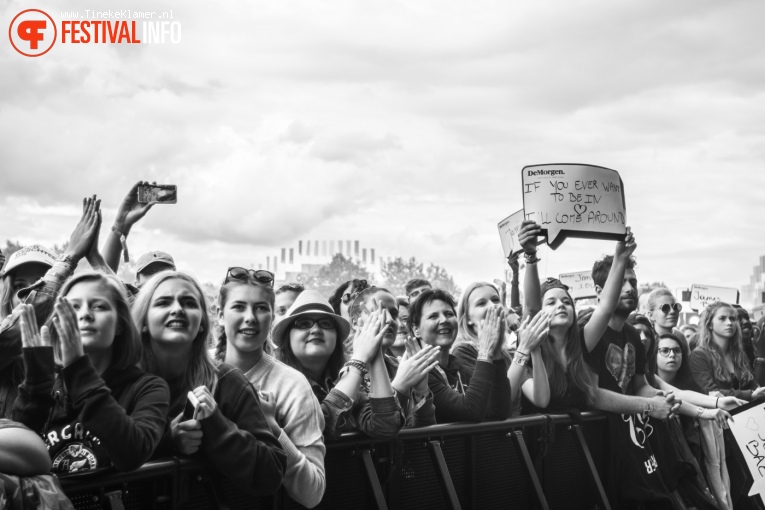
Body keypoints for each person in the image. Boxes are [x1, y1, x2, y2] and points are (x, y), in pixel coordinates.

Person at [132, 270, 285, 494]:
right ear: (143, 321)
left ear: (202, 323)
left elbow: (271, 474)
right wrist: (169, 441)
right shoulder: (121, 383)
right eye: (163, 302)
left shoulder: (226, 382)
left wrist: (216, 426)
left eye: (188, 302)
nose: (177, 309)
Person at [13, 271, 170, 474]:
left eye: (99, 306)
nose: (85, 314)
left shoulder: (149, 388)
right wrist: (36, 388)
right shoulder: (48, 387)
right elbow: (15, 453)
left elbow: (133, 454)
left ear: (120, 324)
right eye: (72, 307)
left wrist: (78, 368)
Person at [211, 269, 325, 508]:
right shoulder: (197, 371)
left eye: (261, 308)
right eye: (239, 307)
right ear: (220, 315)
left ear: (272, 318)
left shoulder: (292, 385)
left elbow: (313, 491)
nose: (250, 317)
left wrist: (273, 428)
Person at [1, 197, 102, 418]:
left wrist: (97, 259)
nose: (28, 295)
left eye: (40, 283)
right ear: (6, 297)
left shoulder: (79, 354)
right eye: (20, 287)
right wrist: (69, 258)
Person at [272, 290, 403, 440]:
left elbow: (386, 427)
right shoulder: (274, 379)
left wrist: (375, 348)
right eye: (304, 324)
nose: (315, 330)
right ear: (287, 336)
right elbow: (316, 429)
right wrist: (358, 360)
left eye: (325, 324)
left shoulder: (346, 373)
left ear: (337, 338)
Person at [407, 288, 510, 423]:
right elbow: (470, 412)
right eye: (433, 316)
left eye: (449, 314)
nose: (444, 320)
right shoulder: (418, 373)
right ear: (416, 330)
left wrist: (495, 353)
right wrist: (485, 351)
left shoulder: (462, 369)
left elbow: (499, 412)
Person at [349, 287, 439, 428]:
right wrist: (400, 386)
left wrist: (421, 392)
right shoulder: (348, 371)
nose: (390, 320)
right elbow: (381, 428)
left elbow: (420, 433)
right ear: (355, 323)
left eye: (394, 313)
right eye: (378, 312)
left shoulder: (399, 368)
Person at [690, 302, 765, 401]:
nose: (729, 323)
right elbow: (711, 392)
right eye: (722, 318)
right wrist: (749, 394)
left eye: (733, 318)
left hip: (745, 413)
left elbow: (751, 383)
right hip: (716, 414)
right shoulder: (699, 355)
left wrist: (758, 390)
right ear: (710, 324)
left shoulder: (739, 353)